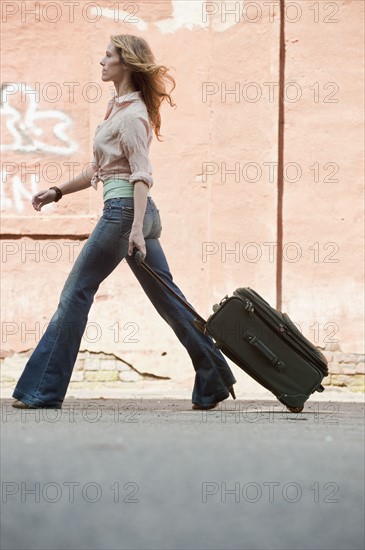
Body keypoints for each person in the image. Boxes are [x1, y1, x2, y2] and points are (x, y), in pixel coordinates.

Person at [12, 34, 236, 410]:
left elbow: (141, 175)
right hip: (133, 214)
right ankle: (213, 378)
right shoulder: (118, 109)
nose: (102, 61)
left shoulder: (132, 115)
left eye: (109, 55)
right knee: (169, 299)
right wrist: (58, 191)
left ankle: (42, 391)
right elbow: (101, 169)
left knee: (76, 294)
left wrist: (134, 230)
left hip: (124, 215)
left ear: (126, 63)